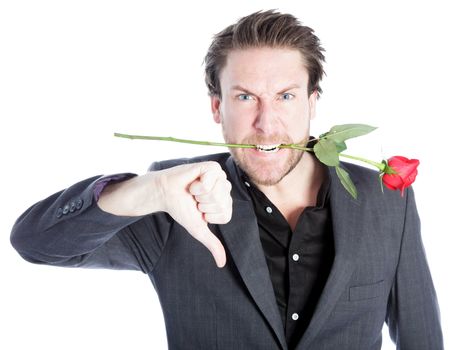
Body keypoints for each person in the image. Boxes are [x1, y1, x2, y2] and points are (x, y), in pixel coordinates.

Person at [10, 9, 443, 350]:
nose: (266, 122)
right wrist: (150, 189)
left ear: (313, 103)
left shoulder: (388, 203)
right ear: (217, 108)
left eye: (286, 96)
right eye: (245, 97)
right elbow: (36, 243)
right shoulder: (175, 196)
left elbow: (422, 338)